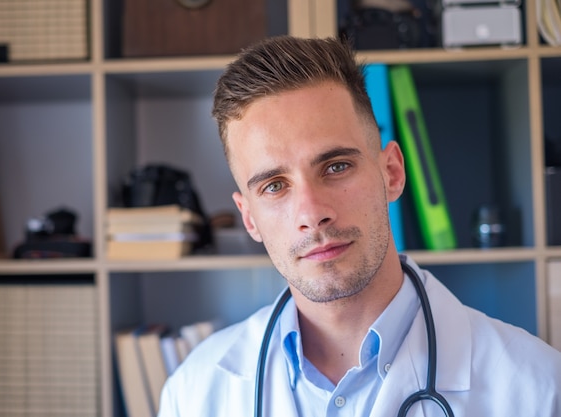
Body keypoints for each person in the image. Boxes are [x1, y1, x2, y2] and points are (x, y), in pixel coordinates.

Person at [157, 36, 561, 417]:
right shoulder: (194, 394)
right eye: (275, 186)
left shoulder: (537, 389)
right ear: (249, 218)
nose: (312, 213)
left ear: (392, 172)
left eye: (336, 167)